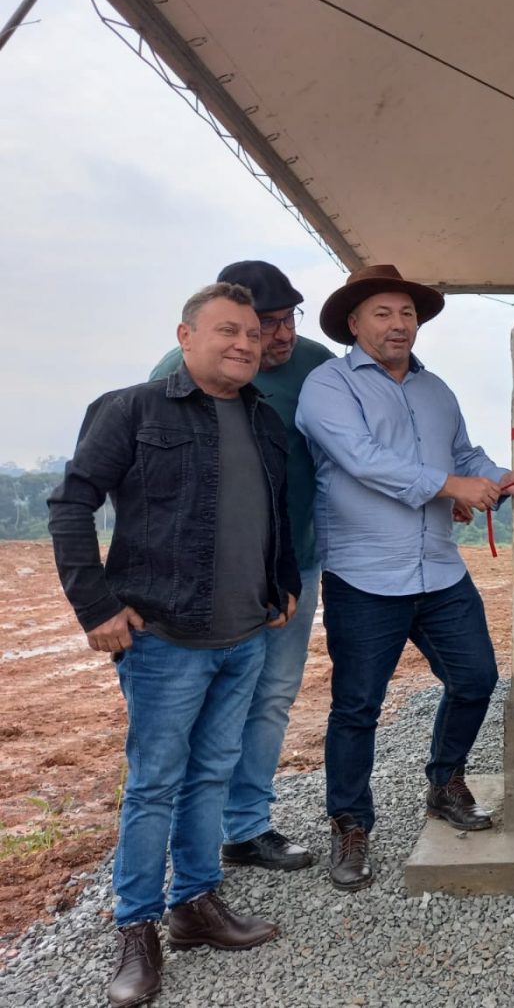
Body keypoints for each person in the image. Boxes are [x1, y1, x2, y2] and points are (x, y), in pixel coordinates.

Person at [49, 282, 298, 1008]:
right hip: (165, 638)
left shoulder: (263, 418)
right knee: (155, 782)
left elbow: (272, 513)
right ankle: (137, 927)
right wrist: (94, 604)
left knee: (213, 773)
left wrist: (278, 583)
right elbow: (71, 503)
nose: (245, 344)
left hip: (244, 636)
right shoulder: (131, 409)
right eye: (227, 331)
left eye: (254, 334)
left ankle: (195, 905)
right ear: (185, 336)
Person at [295, 264, 514, 892]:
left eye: (407, 314)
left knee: (476, 677)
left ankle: (445, 782)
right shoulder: (328, 386)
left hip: (437, 566)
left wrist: (505, 477)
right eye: (382, 313)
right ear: (354, 324)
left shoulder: (437, 391)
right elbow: (362, 459)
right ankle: (350, 824)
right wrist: (449, 485)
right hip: (363, 574)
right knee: (357, 706)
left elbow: (463, 456)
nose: (398, 324)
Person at [150, 261, 332, 872]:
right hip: (204, 578)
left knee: (272, 695)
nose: (278, 337)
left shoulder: (318, 367)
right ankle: (187, 842)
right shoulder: (178, 374)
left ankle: (247, 827)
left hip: (292, 566)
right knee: (200, 706)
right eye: (264, 324)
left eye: (286, 321)